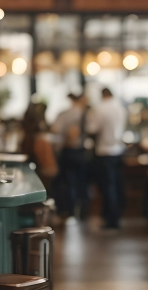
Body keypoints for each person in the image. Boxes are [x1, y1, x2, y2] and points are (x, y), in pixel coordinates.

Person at [86, 88, 127, 230]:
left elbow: (92, 129)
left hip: (104, 151)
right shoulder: (120, 107)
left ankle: (111, 219)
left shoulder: (100, 108)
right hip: (118, 150)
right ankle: (116, 215)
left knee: (107, 186)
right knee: (116, 184)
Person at [51, 93, 89, 223]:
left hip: (69, 151)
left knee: (69, 183)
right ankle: (83, 214)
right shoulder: (87, 113)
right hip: (82, 151)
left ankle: (70, 212)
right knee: (82, 183)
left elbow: (55, 129)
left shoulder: (65, 114)